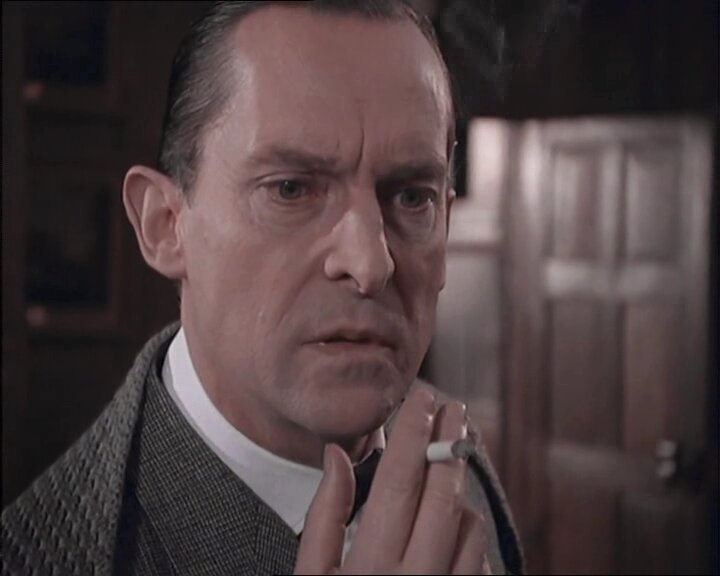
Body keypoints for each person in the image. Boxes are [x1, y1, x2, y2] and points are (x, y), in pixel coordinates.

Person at [2, 1, 523, 574]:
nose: (370, 264)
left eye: (411, 197)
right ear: (165, 226)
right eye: (291, 190)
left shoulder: (455, 463)